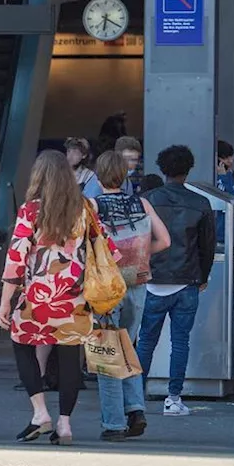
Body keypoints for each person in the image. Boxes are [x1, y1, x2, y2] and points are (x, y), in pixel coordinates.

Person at [0, 151, 102, 446]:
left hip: (37, 298)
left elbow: (15, 259)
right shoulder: (85, 208)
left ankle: (40, 412)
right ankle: (65, 424)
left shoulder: (31, 211)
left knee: (22, 345)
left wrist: (5, 302)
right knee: (70, 358)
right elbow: (103, 248)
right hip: (74, 297)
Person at [93, 151, 171, 440]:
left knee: (107, 353)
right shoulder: (142, 203)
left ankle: (113, 424)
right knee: (127, 347)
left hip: (105, 286)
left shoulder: (92, 206)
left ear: (98, 176)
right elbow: (164, 241)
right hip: (136, 282)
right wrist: (137, 256)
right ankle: (135, 408)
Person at [139, 145, 215, 417]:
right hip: (187, 280)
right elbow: (207, 247)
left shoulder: (147, 199)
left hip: (153, 280)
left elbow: (138, 241)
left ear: (162, 168)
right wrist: (202, 278)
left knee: (146, 340)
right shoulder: (201, 203)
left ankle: (136, 398)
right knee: (180, 342)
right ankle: (173, 398)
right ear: (188, 168)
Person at [215, 140, 234, 244]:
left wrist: (224, 177)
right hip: (218, 232)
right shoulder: (212, 177)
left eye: (231, 157)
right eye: (225, 158)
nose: (230, 161)